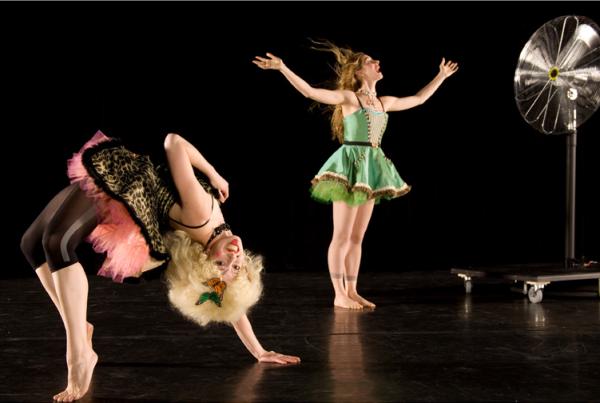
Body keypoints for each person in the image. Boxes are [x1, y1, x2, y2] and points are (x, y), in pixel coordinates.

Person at [20, 131, 300, 402]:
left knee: (57, 243)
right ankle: (81, 329)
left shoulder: (202, 219)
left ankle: (78, 353)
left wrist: (258, 351)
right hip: (125, 183)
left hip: (122, 191)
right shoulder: (206, 218)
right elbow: (174, 142)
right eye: (239, 266)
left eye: (221, 265)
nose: (234, 257)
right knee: (31, 245)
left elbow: (226, 301)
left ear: (204, 262)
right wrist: (214, 173)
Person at [254, 40, 458, 310]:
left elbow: (418, 99)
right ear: (360, 72)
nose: (377, 63)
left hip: (371, 169)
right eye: (370, 62)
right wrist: (283, 68)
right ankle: (339, 293)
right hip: (350, 167)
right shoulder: (351, 98)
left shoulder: (384, 103)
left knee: (356, 238)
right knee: (341, 235)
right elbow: (310, 92)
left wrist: (441, 76)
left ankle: (352, 290)